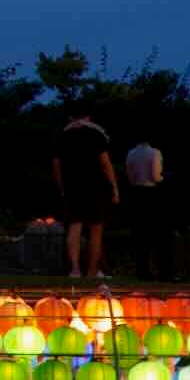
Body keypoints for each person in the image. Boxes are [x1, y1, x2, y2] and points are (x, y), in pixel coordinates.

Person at [50, 109, 119, 279]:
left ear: (71, 117)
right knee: (96, 230)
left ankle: (74, 269)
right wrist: (114, 188)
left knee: (75, 227)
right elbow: (105, 163)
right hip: (96, 186)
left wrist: (62, 188)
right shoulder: (96, 134)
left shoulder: (62, 136)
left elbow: (56, 166)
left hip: (73, 187)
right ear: (88, 117)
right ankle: (92, 271)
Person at [123, 135, 166, 278]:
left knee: (139, 234)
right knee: (156, 233)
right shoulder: (155, 153)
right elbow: (155, 175)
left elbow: (129, 175)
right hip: (151, 193)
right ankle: (160, 269)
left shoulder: (131, 153)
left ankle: (142, 269)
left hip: (136, 193)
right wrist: (162, 178)